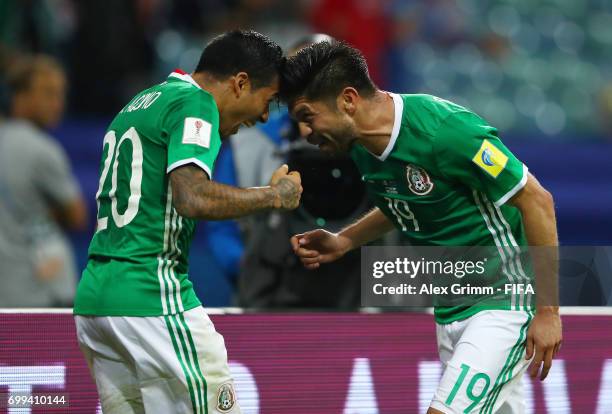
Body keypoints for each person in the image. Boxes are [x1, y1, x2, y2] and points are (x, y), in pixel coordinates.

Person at [281, 41, 562, 413]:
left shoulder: (444, 131)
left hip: (503, 302)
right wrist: (344, 241)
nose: (305, 131)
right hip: (450, 311)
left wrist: (548, 312)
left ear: (348, 100)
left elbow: (536, 200)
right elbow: (402, 203)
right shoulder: (363, 147)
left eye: (308, 115)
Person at [73, 30, 302, 414]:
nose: (265, 115)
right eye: (268, 100)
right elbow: (191, 196)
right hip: (151, 297)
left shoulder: (141, 102)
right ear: (240, 83)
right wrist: (273, 196)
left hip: (97, 304)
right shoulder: (196, 103)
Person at [0, 55, 87, 307]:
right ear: (20, 95)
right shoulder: (42, 149)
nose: (57, 103)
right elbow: (77, 216)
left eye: (60, 94)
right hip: (43, 291)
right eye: (48, 93)